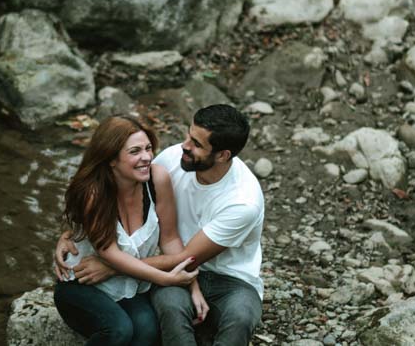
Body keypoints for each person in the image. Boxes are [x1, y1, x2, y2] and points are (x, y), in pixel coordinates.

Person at [56, 104, 264, 346]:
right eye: (189, 135)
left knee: (238, 317)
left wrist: (113, 268)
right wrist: (72, 233)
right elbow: (96, 220)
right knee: (152, 317)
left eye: (196, 144)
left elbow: (183, 252)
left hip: (225, 277)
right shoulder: (173, 160)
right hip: (160, 269)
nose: (185, 146)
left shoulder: (242, 201)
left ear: (222, 155)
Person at [54, 115, 206, 346]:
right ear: (111, 159)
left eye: (147, 148)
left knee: (147, 332)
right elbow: (109, 253)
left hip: (129, 288)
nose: (146, 157)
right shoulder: (93, 193)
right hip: (81, 284)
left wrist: (192, 286)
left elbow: (171, 239)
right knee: (119, 330)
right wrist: (165, 279)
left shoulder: (157, 179)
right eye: (135, 151)